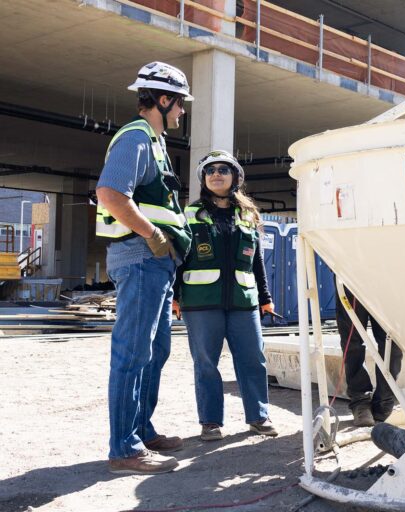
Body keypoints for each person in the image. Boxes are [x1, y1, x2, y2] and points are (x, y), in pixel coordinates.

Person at [96, 62, 193, 475]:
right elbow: (111, 193)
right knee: (133, 352)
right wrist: (154, 236)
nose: (183, 112)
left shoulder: (153, 142)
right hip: (140, 256)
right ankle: (125, 448)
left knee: (155, 350)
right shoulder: (136, 137)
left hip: (155, 262)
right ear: (164, 99)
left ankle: (141, 430)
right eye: (180, 104)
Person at [178, 150, 278, 441]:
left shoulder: (247, 215)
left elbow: (257, 261)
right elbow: (179, 259)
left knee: (253, 359)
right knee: (206, 362)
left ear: (235, 177)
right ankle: (210, 422)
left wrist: (265, 296)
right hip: (200, 302)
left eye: (223, 169)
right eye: (210, 171)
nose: (216, 174)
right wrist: (174, 296)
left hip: (243, 302)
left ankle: (258, 417)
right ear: (203, 179)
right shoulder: (190, 214)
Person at [336, 287, 403, 427]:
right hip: (351, 272)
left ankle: (384, 401)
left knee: (393, 342)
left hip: (387, 274)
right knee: (352, 341)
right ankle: (360, 401)